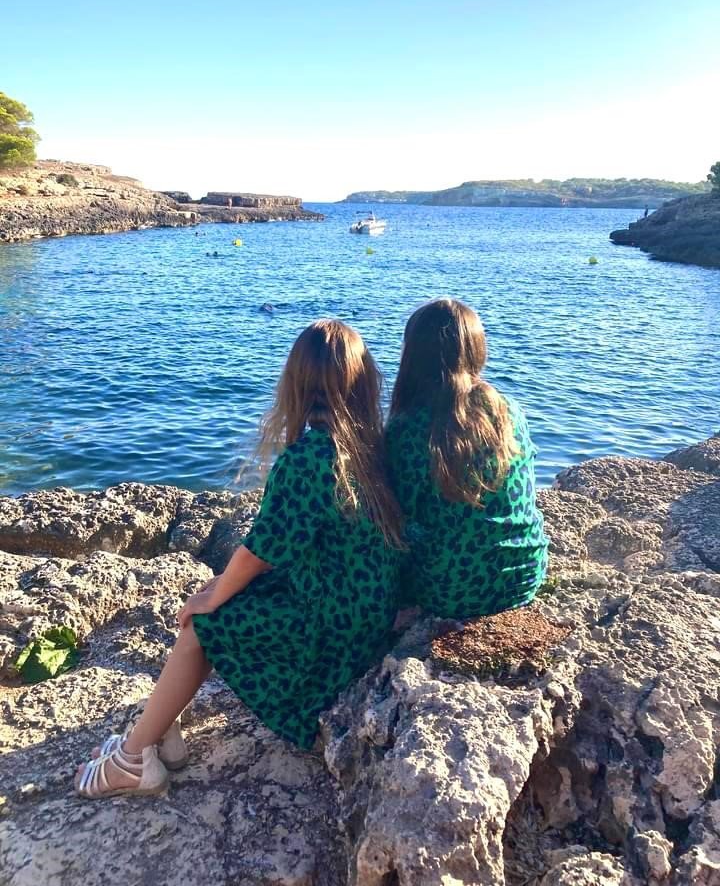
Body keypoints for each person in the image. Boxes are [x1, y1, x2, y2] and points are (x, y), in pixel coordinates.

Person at [75, 320, 404, 799]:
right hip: (360, 608)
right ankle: (159, 732)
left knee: (203, 624)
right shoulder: (369, 446)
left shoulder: (310, 458)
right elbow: (293, 546)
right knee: (214, 600)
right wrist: (218, 589)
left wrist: (212, 597)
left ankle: (132, 760)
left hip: (333, 630)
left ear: (295, 383)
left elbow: (260, 551)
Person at [386, 298, 548, 621]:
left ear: (413, 358)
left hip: (448, 590)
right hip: (523, 576)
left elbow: (395, 519)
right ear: (476, 350)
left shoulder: (408, 428)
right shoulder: (508, 410)